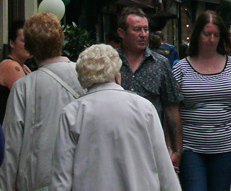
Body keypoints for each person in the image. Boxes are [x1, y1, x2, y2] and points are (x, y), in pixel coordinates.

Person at [50, 44, 180, 191]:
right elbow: (163, 165)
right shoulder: (144, 107)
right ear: (117, 75)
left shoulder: (73, 113)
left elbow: (62, 176)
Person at [0, 12, 84, 191]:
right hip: (81, 178)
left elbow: (11, 146)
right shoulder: (85, 76)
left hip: (38, 182)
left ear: (30, 47)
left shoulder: (24, 87)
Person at [172, 11, 231, 191]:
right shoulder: (181, 68)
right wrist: (173, 147)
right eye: (207, 34)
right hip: (191, 148)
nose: (212, 39)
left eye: (216, 35)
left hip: (225, 147)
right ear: (197, 35)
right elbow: (172, 111)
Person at [116, 7, 183, 168]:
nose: (143, 34)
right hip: (116, 145)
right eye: (136, 29)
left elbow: (171, 107)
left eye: (146, 29)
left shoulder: (160, 64)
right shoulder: (110, 61)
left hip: (151, 146)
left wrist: (177, 149)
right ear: (121, 33)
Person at [0, 21, 30, 124]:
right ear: (12, 43)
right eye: (24, 41)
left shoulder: (24, 67)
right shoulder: (11, 66)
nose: (28, 45)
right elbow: (28, 101)